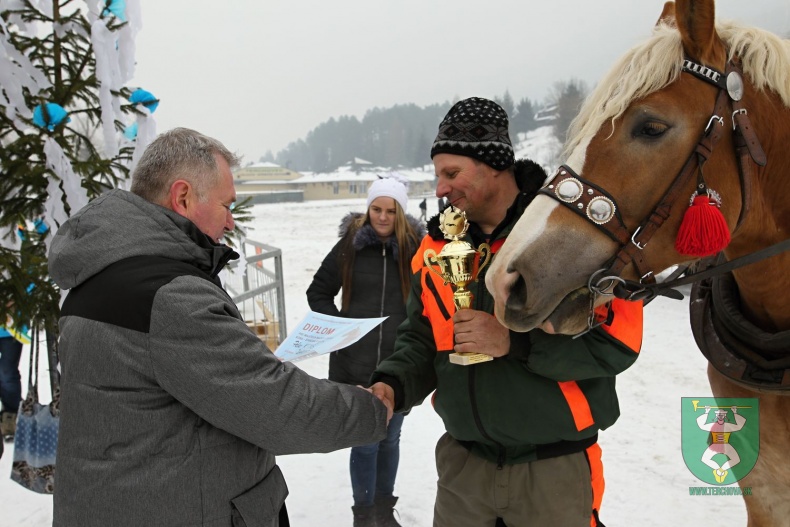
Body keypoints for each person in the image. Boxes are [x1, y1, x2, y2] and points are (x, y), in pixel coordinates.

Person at [47, 127, 393, 527]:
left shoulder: (99, 274)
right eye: (226, 205)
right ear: (183, 197)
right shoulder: (169, 295)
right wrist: (371, 409)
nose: (230, 222)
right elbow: (274, 406)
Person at [369, 97, 644, 527]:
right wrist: (392, 385)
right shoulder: (436, 247)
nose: (440, 189)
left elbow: (617, 344)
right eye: (438, 175)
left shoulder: (571, 234)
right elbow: (421, 338)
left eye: (452, 173)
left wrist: (514, 342)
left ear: (495, 166)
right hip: (463, 472)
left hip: (551, 472)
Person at [307, 177, 425, 526]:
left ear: (401, 212)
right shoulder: (351, 245)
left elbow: (429, 299)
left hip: (398, 363)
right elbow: (318, 291)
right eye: (377, 209)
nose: (383, 217)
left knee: (390, 439)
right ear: (368, 208)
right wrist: (339, 329)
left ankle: (384, 512)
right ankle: (363, 515)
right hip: (354, 364)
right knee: (365, 441)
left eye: (391, 210)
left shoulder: (416, 249)